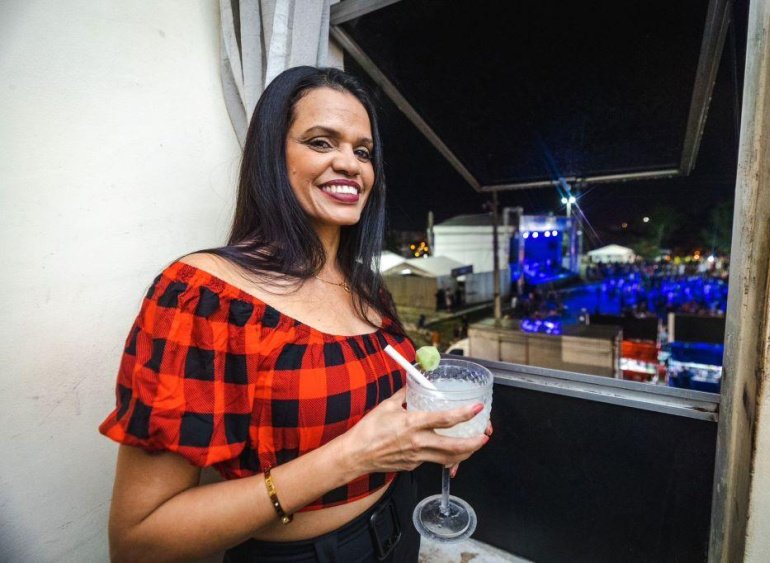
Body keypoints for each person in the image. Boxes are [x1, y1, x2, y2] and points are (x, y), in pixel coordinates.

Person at [99, 67, 491, 562]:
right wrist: (354, 456)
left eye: (363, 151)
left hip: (401, 526)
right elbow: (138, 542)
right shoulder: (204, 295)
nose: (350, 163)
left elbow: (382, 413)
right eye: (322, 142)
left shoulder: (365, 286)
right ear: (272, 156)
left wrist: (428, 437)